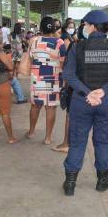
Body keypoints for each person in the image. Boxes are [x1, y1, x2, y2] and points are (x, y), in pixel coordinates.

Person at [61, 10, 108, 196]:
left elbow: (68, 75)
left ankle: (70, 183)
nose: (83, 27)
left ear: (92, 26)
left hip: (81, 100)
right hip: (107, 101)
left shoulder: (77, 47)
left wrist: (87, 92)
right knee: (103, 141)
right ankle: (102, 180)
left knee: (77, 141)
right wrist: (104, 90)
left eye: (85, 24)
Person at [26, 16, 66, 145]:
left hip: (37, 78)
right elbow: (64, 61)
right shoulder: (60, 43)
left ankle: (31, 132)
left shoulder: (34, 42)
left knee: (35, 106)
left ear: (40, 28)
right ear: (54, 28)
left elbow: (31, 58)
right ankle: (48, 138)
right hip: (53, 79)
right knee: (50, 108)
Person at [52, 20, 77, 153]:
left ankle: (66, 143)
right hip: (87, 86)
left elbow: (67, 62)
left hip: (74, 83)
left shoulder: (66, 40)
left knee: (70, 114)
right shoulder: (73, 40)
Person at [9, 22, 27, 104]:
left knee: (12, 66)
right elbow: (24, 41)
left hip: (12, 52)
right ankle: (15, 78)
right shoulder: (20, 35)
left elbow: (9, 42)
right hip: (19, 51)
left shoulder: (11, 34)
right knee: (17, 67)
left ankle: (13, 78)